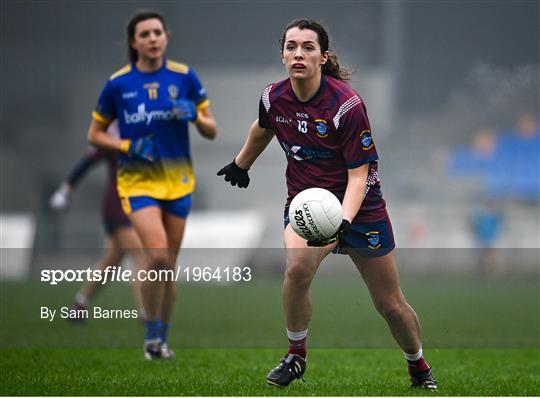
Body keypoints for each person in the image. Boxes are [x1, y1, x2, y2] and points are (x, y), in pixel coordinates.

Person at [218, 19, 436, 390]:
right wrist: (242, 162)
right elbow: (264, 126)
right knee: (298, 268)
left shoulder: (346, 106)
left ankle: (419, 367)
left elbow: (358, 174)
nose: (298, 54)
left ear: (323, 56)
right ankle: (296, 355)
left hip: (360, 209)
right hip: (306, 202)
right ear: (283, 54)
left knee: (389, 304)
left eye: (307, 47)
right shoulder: (273, 96)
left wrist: (344, 221)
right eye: (291, 47)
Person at [87, 10, 217, 360]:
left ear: (166, 37)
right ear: (134, 42)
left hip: (177, 183)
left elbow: (211, 128)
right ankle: (150, 331)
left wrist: (194, 115)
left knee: (167, 268)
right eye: (144, 34)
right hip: (137, 183)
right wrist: (127, 146)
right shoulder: (118, 84)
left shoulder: (184, 77)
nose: (152, 38)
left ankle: (158, 340)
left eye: (157, 32)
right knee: (156, 255)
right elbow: (95, 135)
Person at [49, 121, 146, 320]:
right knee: (141, 257)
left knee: (110, 263)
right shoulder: (111, 133)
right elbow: (86, 163)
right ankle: (147, 313)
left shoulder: (145, 127)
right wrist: (65, 190)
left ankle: (78, 305)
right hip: (119, 207)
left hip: (138, 204)